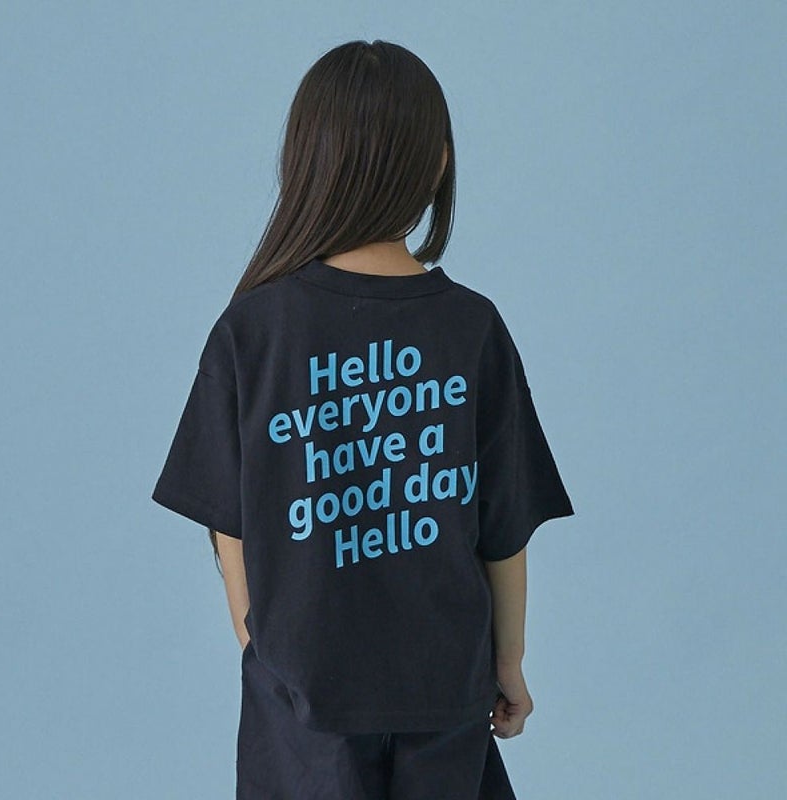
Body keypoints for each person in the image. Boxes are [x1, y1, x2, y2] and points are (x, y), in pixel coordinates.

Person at [151, 38, 575, 800]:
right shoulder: (472, 329)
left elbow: (230, 519)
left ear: (305, 161)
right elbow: (503, 529)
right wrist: (508, 663)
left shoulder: (253, 331)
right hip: (444, 690)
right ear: (438, 163)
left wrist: (265, 646)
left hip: (302, 704)